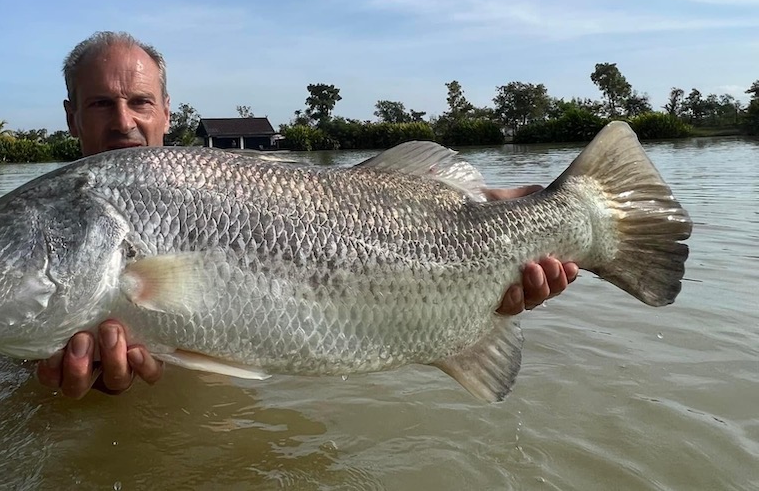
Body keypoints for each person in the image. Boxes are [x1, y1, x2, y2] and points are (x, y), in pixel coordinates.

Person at [36, 31, 578, 398]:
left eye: (139, 101)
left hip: (238, 433)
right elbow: (5, 348)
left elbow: (342, 207)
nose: (124, 121)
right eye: (102, 104)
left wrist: (520, 220)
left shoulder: (220, 182)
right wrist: (43, 377)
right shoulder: (48, 212)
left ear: (168, 110)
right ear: (72, 116)